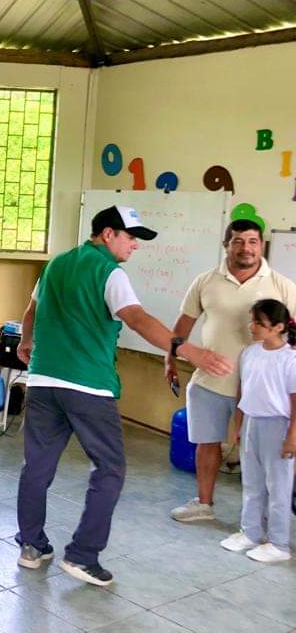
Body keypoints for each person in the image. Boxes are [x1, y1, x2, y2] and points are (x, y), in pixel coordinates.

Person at [14, 205, 231, 587]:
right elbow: (137, 318)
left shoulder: (56, 264)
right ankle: (82, 556)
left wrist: (26, 340)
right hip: (88, 386)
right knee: (110, 469)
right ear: (107, 234)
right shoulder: (109, 272)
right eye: (130, 237)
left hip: (43, 380)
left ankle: (31, 546)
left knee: (37, 466)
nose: (135, 245)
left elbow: (32, 309)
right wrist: (189, 350)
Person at [167, 219, 296, 523]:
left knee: (262, 453)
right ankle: (203, 503)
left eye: (252, 241)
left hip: (262, 391)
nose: (246, 248)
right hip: (209, 382)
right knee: (206, 443)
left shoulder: (281, 285)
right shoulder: (205, 281)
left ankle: (264, 517)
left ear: (261, 245)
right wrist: (169, 360)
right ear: (226, 245)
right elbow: (182, 327)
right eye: (238, 241)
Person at [219, 300, 296, 563]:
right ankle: (251, 532)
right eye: (252, 321)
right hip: (251, 422)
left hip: (278, 426)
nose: (252, 327)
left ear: (278, 327)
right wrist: (238, 426)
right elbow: (242, 391)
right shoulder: (249, 353)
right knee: (251, 482)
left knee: (278, 487)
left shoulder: (290, 359)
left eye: (259, 323)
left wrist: (292, 437)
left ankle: (279, 544)